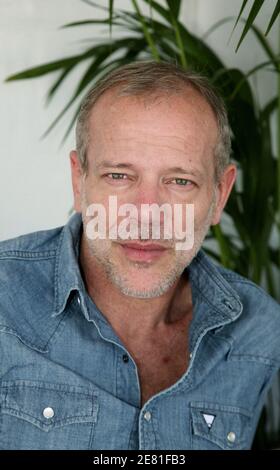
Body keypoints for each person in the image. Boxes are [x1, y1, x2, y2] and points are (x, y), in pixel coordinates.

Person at [0, 61, 279, 451]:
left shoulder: (262, 329)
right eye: (119, 176)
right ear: (79, 181)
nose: (147, 215)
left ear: (220, 195)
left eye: (179, 181)